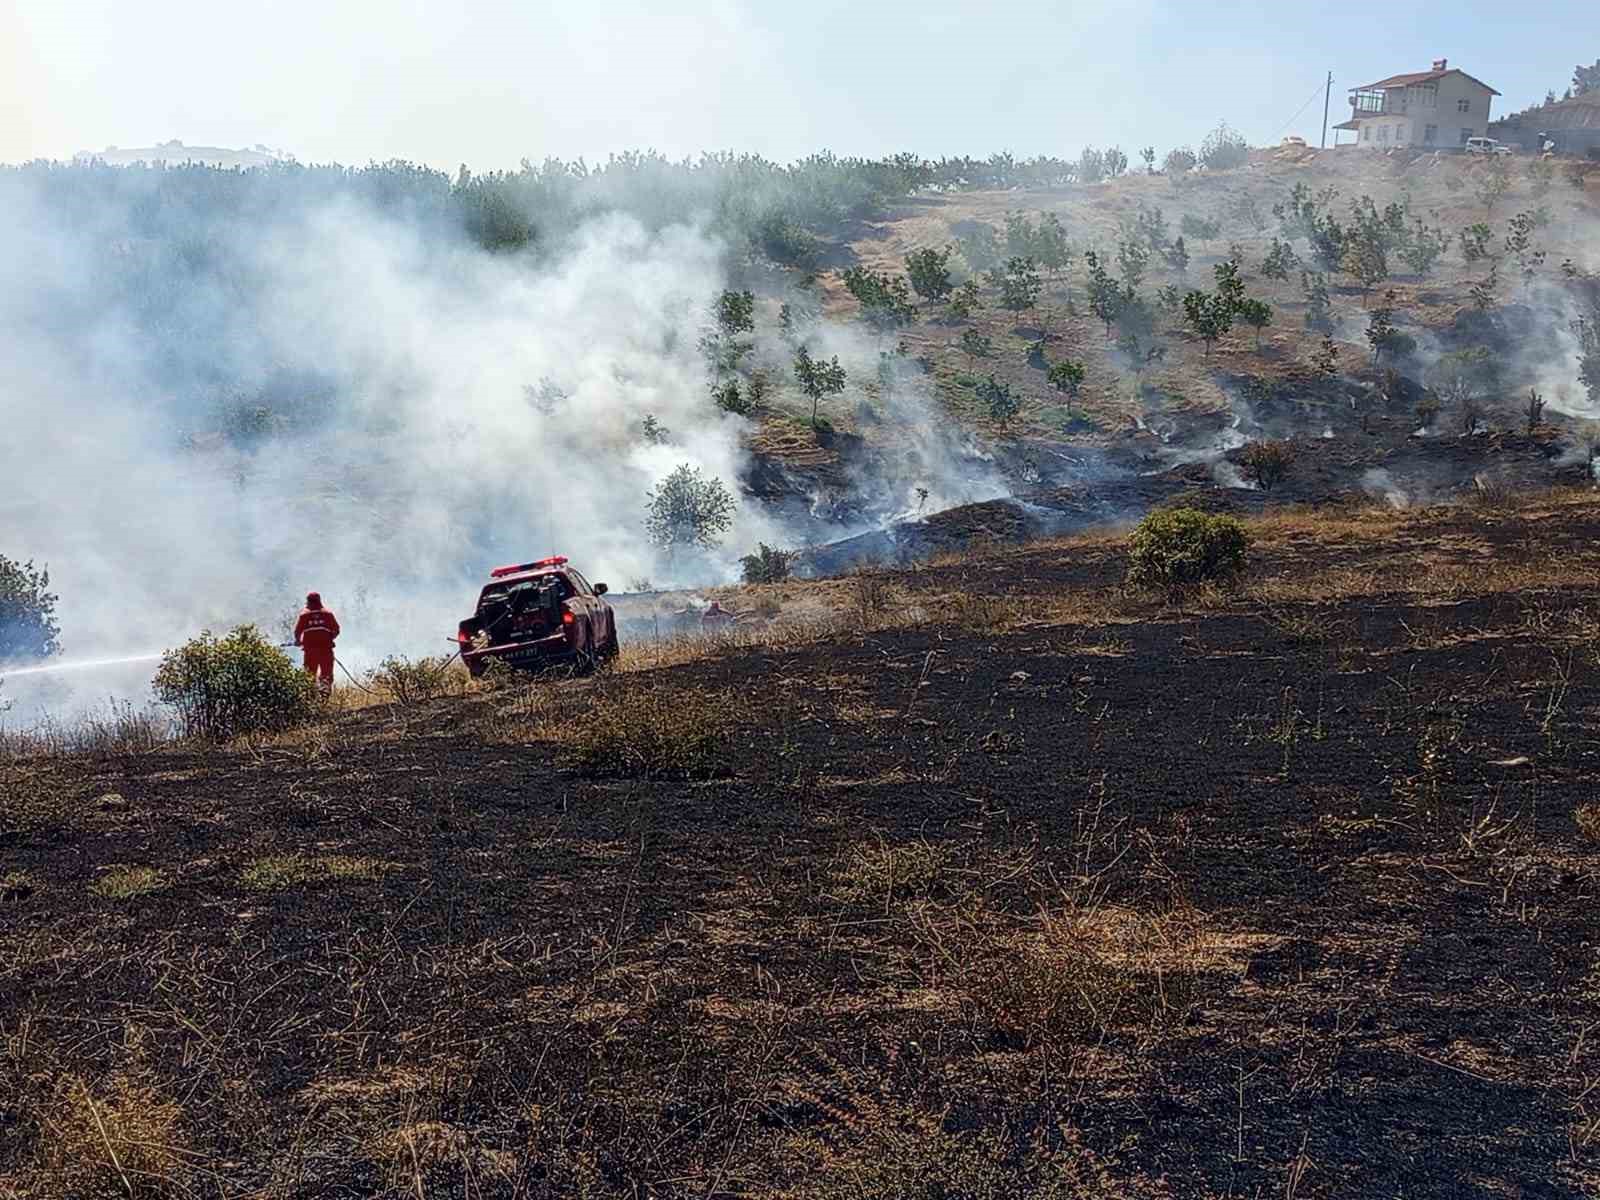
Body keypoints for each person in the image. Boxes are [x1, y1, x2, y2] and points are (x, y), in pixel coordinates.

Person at [293, 591, 340, 694]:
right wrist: (329, 638)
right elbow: (336, 630)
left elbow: (297, 632)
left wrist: (298, 641)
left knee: (309, 675)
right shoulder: (328, 614)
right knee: (326, 675)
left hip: (310, 651)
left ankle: (310, 699)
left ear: (308, 602)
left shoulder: (304, 615)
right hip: (326, 650)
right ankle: (324, 699)